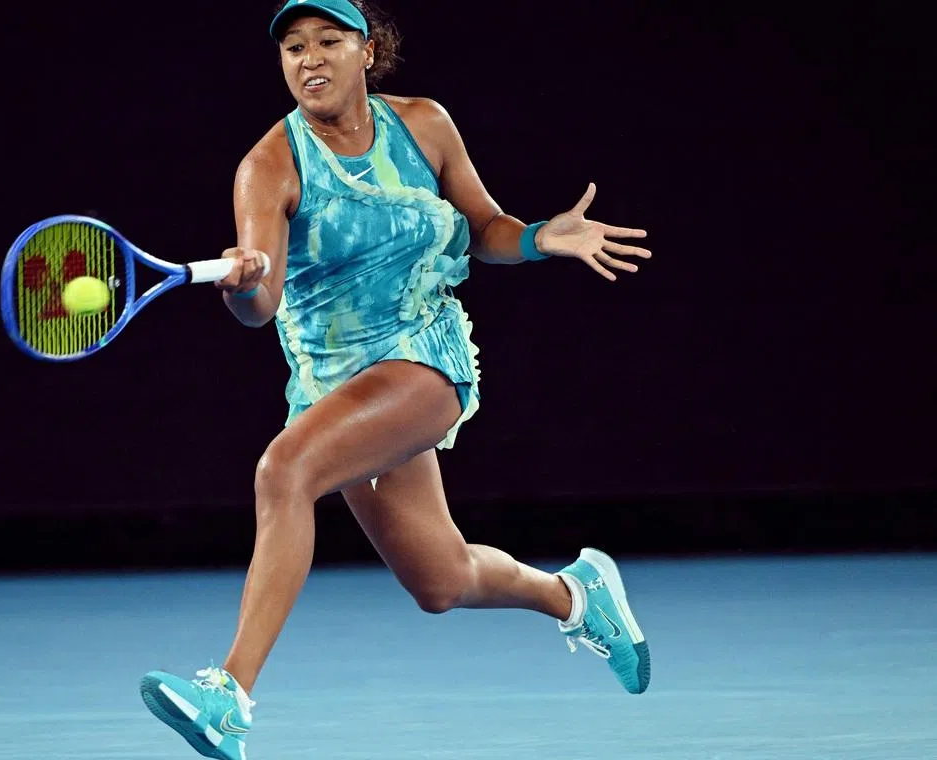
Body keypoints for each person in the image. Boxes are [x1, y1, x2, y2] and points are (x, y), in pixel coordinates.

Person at [139, 1, 653, 757]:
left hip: (422, 349)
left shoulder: (425, 125)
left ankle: (229, 695)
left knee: (284, 468)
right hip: (335, 382)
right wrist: (243, 283)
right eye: (292, 48)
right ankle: (578, 595)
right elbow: (262, 309)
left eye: (327, 42)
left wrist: (543, 238)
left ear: (367, 51)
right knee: (439, 582)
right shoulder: (268, 167)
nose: (309, 60)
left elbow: (484, 230)